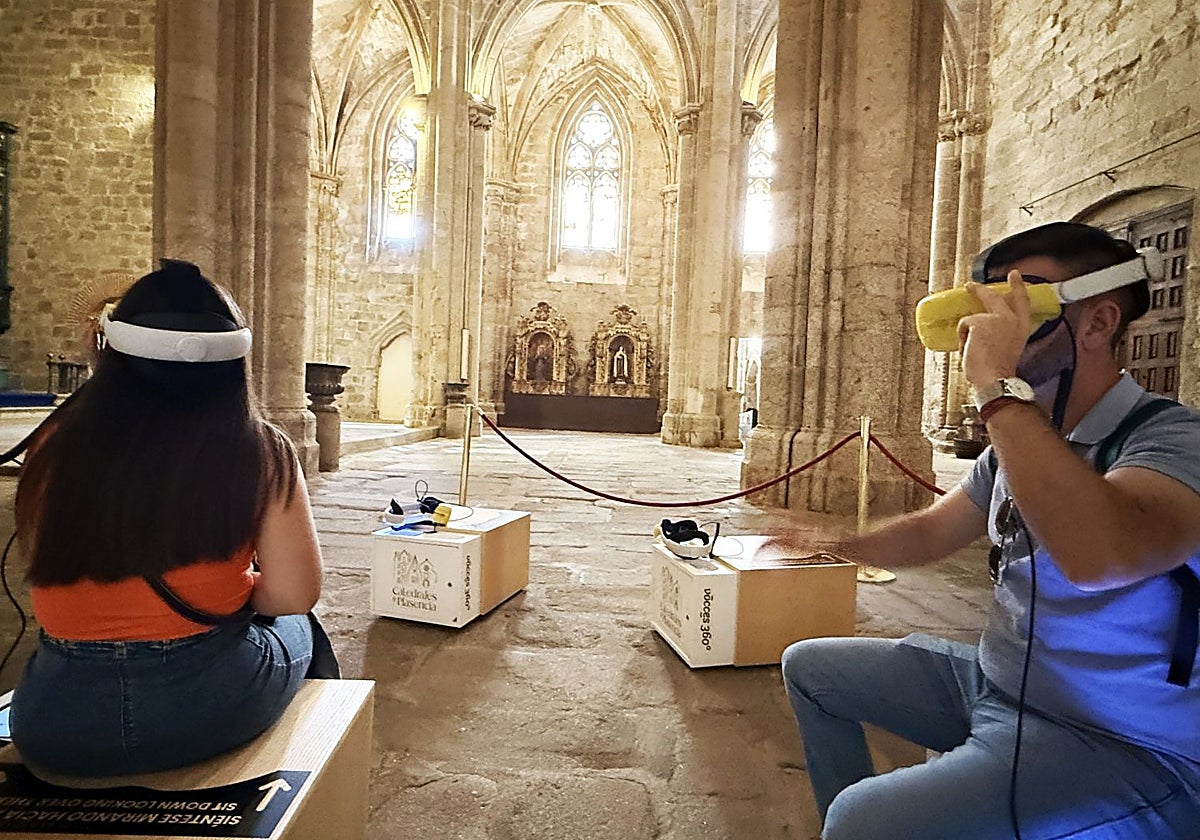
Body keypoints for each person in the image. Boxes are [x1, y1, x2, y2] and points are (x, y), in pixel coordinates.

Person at [779, 222, 1200, 839]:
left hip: (1120, 739)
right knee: (811, 669)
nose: (990, 320)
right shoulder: (1019, 439)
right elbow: (931, 532)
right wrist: (834, 545)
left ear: (1098, 322)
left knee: (861, 821)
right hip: (997, 683)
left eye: (1022, 300)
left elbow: (1101, 557)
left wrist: (996, 391)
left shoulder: (1170, 440)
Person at [10, 260, 337, 778]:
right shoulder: (260, 451)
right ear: (232, 362)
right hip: (205, 709)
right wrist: (234, 585)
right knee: (301, 625)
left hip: (55, 724)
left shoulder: (51, 445)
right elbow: (293, 595)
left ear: (111, 350)